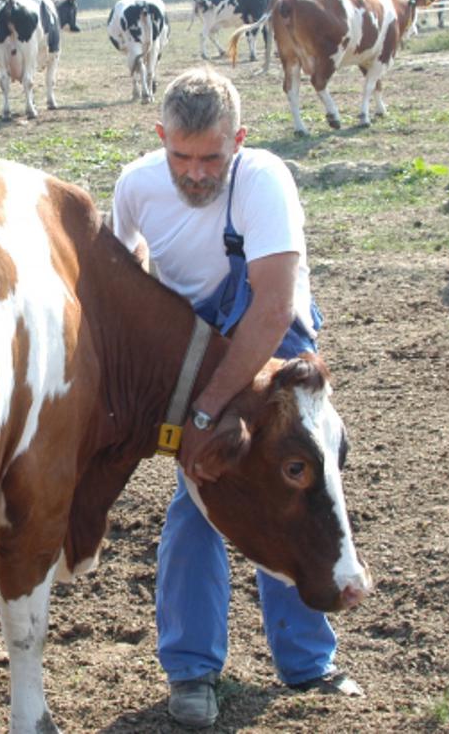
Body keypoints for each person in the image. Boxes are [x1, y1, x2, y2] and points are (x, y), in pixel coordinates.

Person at [111, 67, 361, 729]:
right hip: (195, 350)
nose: (194, 174)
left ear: (239, 140)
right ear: (159, 136)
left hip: (271, 339)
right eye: (180, 157)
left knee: (291, 481)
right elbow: (124, 280)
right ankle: (193, 668)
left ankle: (305, 662)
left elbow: (274, 305)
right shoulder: (135, 187)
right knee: (201, 495)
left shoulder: (263, 180)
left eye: (210, 158)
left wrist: (206, 411)